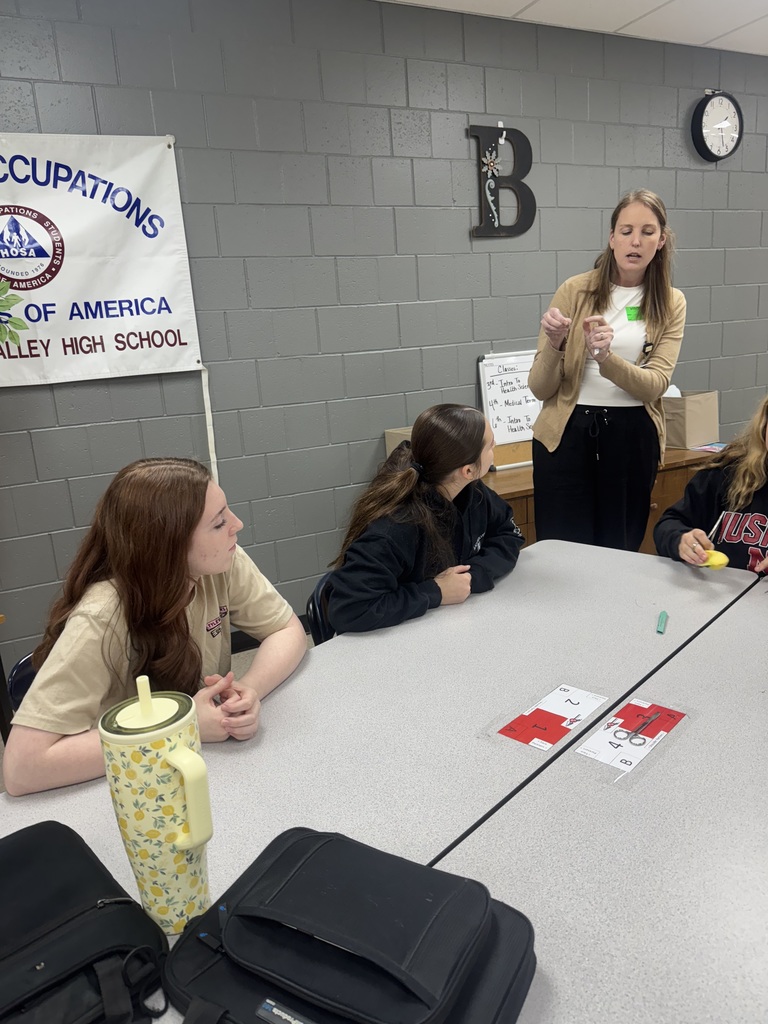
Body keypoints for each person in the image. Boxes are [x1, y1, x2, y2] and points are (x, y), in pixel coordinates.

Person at [4, 457, 307, 796]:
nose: (237, 524)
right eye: (219, 523)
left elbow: (286, 629)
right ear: (169, 544)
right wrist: (184, 728)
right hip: (120, 788)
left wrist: (248, 691)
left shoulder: (221, 563)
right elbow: (21, 769)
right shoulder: (100, 618)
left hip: (198, 770)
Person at [529, 189, 686, 551]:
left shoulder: (671, 302)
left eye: (647, 232)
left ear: (661, 240)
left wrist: (605, 358)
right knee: (562, 552)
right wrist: (555, 344)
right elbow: (539, 387)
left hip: (631, 438)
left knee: (619, 548)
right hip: (565, 434)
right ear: (612, 238)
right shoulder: (575, 289)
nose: (636, 241)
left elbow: (654, 386)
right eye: (626, 230)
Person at [327, 404, 524, 634]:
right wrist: (436, 591)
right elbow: (349, 609)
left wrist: (471, 577)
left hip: (447, 627)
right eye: (490, 445)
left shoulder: (474, 492)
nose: (495, 446)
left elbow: (509, 534)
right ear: (468, 470)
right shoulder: (396, 527)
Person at [654, 393, 768, 573]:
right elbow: (669, 524)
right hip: (718, 590)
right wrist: (680, 540)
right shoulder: (727, 471)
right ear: (763, 427)